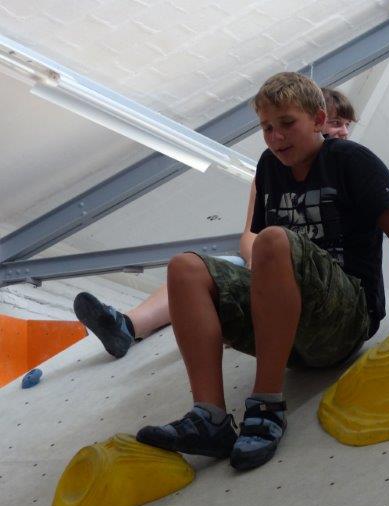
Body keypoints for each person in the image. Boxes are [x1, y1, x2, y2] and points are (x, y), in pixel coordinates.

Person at [136, 72, 389, 471]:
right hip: (291, 333)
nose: (276, 137)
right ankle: (209, 417)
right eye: (267, 128)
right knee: (184, 268)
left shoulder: (350, 160)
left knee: (271, 240)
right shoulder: (269, 167)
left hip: (345, 317)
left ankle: (266, 404)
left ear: (318, 120)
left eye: (286, 123)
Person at [73, 88, 359, 359]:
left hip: (317, 277)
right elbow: (250, 235)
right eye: (336, 123)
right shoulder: (271, 171)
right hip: (267, 263)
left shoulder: (349, 169)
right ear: (315, 121)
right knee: (199, 269)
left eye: (346, 124)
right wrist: (255, 261)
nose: (344, 132)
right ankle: (126, 326)